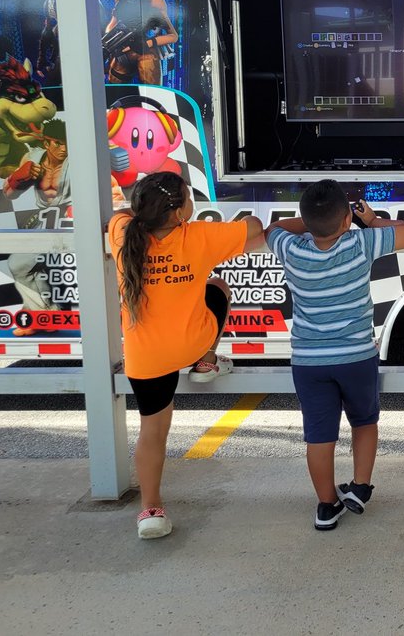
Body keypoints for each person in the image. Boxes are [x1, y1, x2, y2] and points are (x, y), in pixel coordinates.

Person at [108, 171, 264, 540]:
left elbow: (121, 214)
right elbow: (254, 227)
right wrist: (241, 220)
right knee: (218, 287)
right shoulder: (198, 236)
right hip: (190, 345)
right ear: (180, 213)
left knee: (153, 432)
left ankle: (150, 511)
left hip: (145, 357)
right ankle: (207, 359)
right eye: (189, 198)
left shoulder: (121, 232)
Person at [264, 181, 404, 531]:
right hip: (356, 356)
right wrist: (373, 220)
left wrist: (310, 222)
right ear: (347, 217)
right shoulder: (360, 242)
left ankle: (326, 505)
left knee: (319, 435)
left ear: (305, 218)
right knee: (364, 421)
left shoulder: (290, 249)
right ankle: (360, 487)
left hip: (308, 360)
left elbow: (271, 228)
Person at [102, 0, 178, 85]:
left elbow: (173, 36)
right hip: (123, 52)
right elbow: (112, 24)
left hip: (146, 54)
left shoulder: (156, 0)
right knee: (116, 95)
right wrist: (111, 41)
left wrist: (146, 44)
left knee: (152, 98)